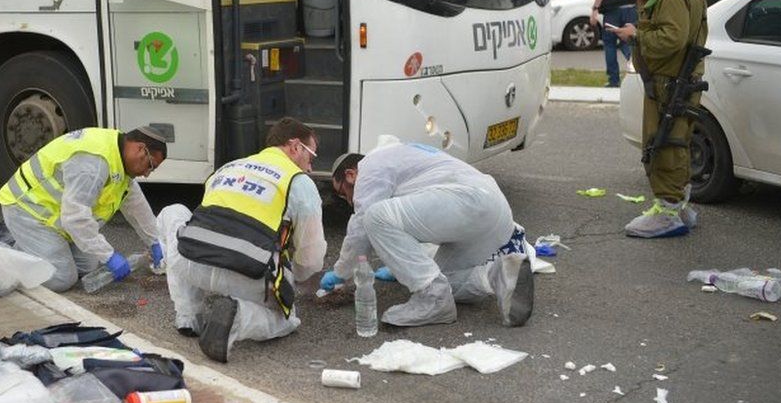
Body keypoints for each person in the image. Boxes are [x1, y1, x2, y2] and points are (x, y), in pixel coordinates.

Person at [158, 118, 326, 363]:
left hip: (192, 262)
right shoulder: (298, 182)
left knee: (172, 212)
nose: (310, 167)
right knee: (287, 320)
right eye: (311, 156)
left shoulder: (228, 167)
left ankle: (188, 316)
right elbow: (311, 258)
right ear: (295, 146)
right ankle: (238, 317)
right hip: (248, 274)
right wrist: (292, 281)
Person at [320, 137, 533, 328]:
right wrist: (400, 268)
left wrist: (342, 272)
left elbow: (362, 226)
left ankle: (434, 299)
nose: (348, 200)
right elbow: (415, 225)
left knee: (373, 217)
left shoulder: (370, 166)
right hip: (493, 211)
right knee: (443, 278)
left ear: (350, 175)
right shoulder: (400, 158)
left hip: (469, 201)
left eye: (343, 193)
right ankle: (499, 275)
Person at [611, 0, 707, 239]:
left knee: (664, 144)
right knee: (675, 141)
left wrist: (636, 36)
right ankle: (679, 207)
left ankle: (668, 212)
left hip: (671, 81)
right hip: (674, 79)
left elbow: (671, 39)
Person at [0, 126, 167, 292]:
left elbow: (135, 203)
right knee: (62, 278)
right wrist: (109, 255)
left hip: (54, 218)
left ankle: (26, 248)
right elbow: (75, 218)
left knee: (87, 266)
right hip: (28, 211)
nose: (147, 174)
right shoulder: (93, 164)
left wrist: (155, 241)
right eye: (150, 165)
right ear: (140, 149)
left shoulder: (117, 154)